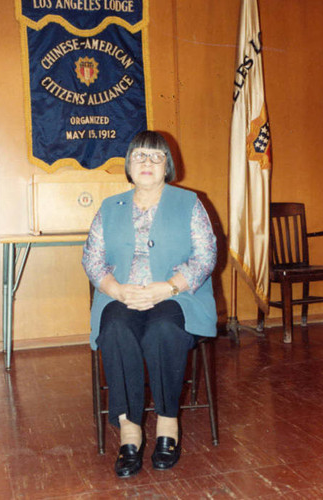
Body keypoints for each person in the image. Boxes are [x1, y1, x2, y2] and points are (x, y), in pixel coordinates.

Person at [82, 130, 217, 478]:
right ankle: (130, 430)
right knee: (115, 330)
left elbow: (206, 255)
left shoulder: (189, 203)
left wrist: (168, 287)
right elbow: (92, 258)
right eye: (139, 156)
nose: (147, 162)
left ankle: (168, 425)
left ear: (168, 166)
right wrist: (117, 289)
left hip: (176, 295)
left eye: (156, 157)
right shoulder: (110, 207)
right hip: (122, 294)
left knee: (163, 330)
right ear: (128, 165)